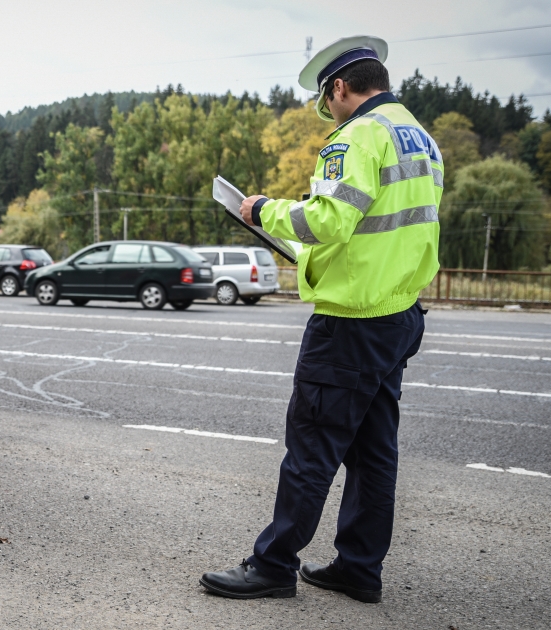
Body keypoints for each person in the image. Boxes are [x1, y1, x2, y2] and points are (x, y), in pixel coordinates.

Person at [199, 36, 441, 603]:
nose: (326, 111)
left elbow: (331, 220)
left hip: (352, 320)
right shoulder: (420, 137)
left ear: (338, 87)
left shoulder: (356, 135)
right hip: (398, 312)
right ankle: (359, 567)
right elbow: (389, 225)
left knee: (312, 446)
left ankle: (274, 564)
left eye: (324, 99)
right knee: (373, 453)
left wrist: (262, 210)